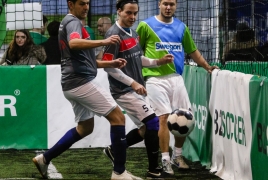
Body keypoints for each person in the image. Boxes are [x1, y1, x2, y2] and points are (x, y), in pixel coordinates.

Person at [32, 0, 142, 180]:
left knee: (85, 128)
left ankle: (45, 158)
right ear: (70, 4)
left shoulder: (69, 23)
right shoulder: (73, 22)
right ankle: (119, 172)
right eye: (82, 3)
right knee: (118, 118)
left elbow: (84, 59)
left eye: (88, 3)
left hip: (71, 83)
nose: (86, 7)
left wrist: (110, 62)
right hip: (80, 82)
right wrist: (104, 40)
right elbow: (74, 43)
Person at [136, 0, 218, 176]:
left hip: (177, 78)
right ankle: (165, 160)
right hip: (155, 79)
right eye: (165, 3)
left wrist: (207, 66)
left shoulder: (182, 27)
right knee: (163, 117)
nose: (168, 7)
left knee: (185, 117)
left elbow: (192, 50)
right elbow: (136, 52)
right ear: (159, 4)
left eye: (171, 4)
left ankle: (177, 156)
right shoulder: (145, 26)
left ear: (176, 5)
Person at [102, 0, 174, 179]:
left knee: (144, 130)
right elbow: (109, 67)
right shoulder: (113, 35)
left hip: (136, 89)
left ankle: (114, 149)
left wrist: (158, 62)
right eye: (128, 13)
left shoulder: (133, 32)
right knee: (153, 123)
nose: (132, 17)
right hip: (123, 90)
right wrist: (132, 83)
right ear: (119, 11)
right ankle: (154, 170)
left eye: (135, 13)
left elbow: (137, 58)